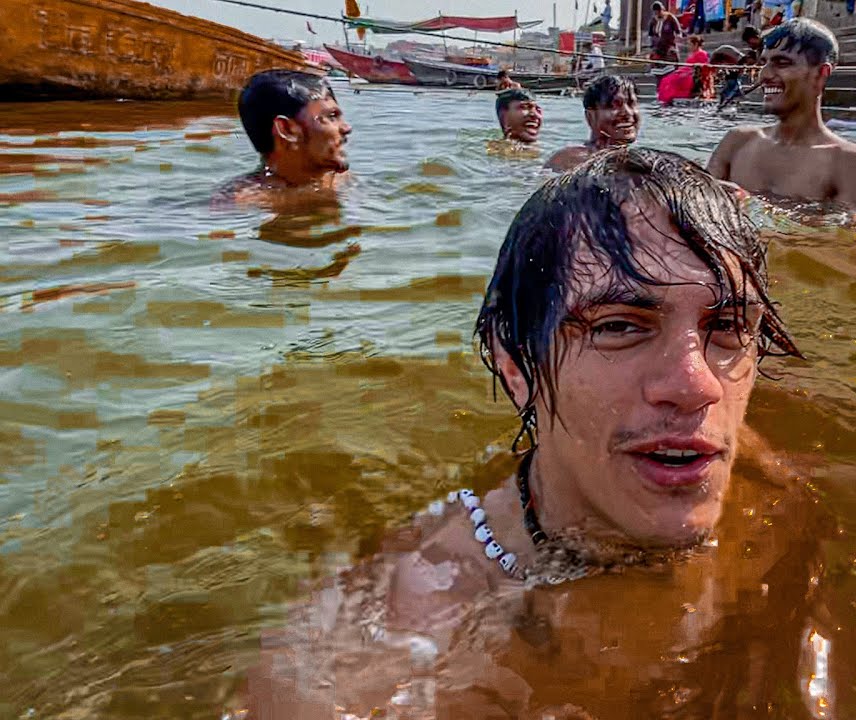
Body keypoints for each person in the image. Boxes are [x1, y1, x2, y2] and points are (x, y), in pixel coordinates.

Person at [244, 149, 817, 718]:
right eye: (619, 326)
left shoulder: (752, 469)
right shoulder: (401, 638)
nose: (698, 387)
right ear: (515, 367)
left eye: (727, 326)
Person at [707, 19, 856, 211]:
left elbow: (845, 238)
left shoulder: (847, 161)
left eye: (781, 63)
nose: (765, 75)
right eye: (763, 63)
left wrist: (751, 205)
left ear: (820, 74)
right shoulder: (736, 142)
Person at [215, 70, 352, 203]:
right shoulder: (241, 201)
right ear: (286, 130)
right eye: (332, 116)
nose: (347, 128)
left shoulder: (340, 181)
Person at [546, 75, 641, 171]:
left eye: (631, 103)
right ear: (590, 116)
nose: (627, 113)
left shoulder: (640, 162)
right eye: (613, 106)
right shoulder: (570, 161)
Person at [657, 34, 712, 104]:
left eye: (690, 44)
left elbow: (702, 67)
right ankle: (664, 99)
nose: (689, 47)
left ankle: (670, 96)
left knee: (671, 80)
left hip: (692, 74)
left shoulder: (702, 54)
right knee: (666, 79)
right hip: (686, 72)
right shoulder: (693, 53)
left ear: (695, 44)